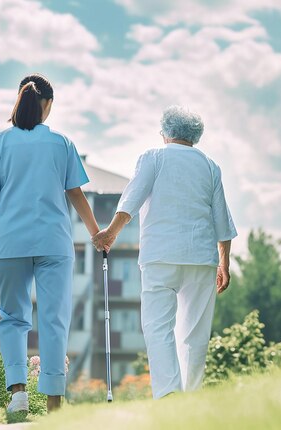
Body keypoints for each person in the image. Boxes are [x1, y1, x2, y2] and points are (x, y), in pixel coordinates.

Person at [0, 73, 101, 414]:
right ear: (49, 105)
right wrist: (97, 233)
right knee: (55, 319)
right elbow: (76, 193)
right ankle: (54, 403)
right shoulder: (62, 144)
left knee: (13, 318)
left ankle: (18, 396)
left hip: (9, 243)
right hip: (54, 243)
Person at [94, 105, 237, 399]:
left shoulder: (154, 157)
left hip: (160, 256)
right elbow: (222, 222)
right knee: (195, 335)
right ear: (194, 135)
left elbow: (131, 199)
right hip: (201, 260)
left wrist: (110, 234)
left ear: (165, 132)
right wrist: (225, 264)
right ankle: (191, 397)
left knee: (158, 327)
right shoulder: (210, 166)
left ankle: (170, 394)